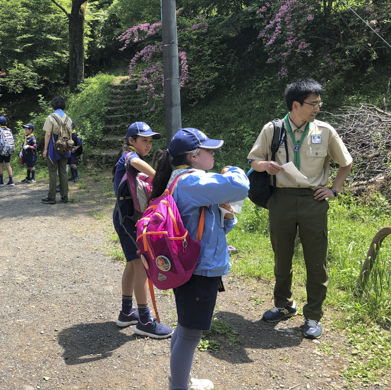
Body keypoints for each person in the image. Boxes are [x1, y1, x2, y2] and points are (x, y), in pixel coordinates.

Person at [248, 78, 353, 339]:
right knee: (281, 257)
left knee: (316, 261)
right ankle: (283, 305)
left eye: (318, 102)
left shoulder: (325, 130)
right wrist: (265, 166)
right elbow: (254, 159)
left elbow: (346, 163)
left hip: (313, 201)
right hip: (280, 200)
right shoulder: (272, 129)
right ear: (296, 105)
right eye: (313, 103)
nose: (318, 107)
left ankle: (313, 316)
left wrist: (334, 189)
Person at [149, 128, 249, 390]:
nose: (214, 154)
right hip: (199, 270)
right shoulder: (192, 182)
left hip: (192, 266)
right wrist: (233, 170)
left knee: (185, 328)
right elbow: (240, 186)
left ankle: (178, 379)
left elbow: (214, 227)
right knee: (191, 335)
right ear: (194, 156)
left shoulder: (181, 180)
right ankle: (179, 387)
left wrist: (227, 216)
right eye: (210, 150)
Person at [112, 121, 172, 339]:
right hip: (127, 221)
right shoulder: (128, 157)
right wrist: (161, 179)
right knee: (141, 267)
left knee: (132, 264)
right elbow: (138, 163)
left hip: (126, 219)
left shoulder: (132, 163)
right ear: (131, 141)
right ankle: (145, 321)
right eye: (144, 140)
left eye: (150, 141)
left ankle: (127, 312)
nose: (148, 144)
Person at [42, 97, 72, 204]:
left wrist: (45, 149)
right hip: (65, 147)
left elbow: (48, 134)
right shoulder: (68, 118)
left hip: (53, 147)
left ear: (53, 106)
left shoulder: (51, 117)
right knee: (63, 172)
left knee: (53, 172)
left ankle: (51, 197)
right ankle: (65, 196)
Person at [0, 116, 15, 187]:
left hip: (0, 150)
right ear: (6, 123)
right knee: (8, 164)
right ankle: (11, 180)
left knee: (1, 165)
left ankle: (1, 181)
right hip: (8, 149)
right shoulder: (9, 130)